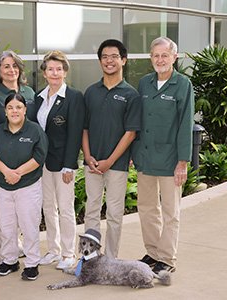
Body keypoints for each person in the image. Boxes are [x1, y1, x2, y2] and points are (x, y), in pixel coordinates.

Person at [132, 36, 194, 274]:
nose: (160, 60)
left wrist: (182, 162)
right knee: (146, 207)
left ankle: (167, 258)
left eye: (164, 55)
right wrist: (134, 152)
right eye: (156, 55)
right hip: (146, 158)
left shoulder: (182, 85)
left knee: (170, 211)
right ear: (151, 58)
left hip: (170, 160)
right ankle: (153, 252)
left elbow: (185, 123)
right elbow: (138, 120)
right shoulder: (145, 83)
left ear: (174, 57)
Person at [82, 39, 141, 259]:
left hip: (117, 165)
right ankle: (90, 257)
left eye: (114, 56)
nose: (109, 61)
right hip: (92, 164)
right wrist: (88, 157)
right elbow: (84, 128)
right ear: (100, 62)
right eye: (105, 57)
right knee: (91, 211)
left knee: (115, 214)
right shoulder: (91, 92)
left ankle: (110, 259)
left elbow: (130, 133)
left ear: (123, 60)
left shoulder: (131, 95)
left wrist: (109, 161)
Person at [27, 50, 85, 270]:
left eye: (59, 69)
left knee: (66, 208)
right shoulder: (38, 97)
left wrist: (70, 164)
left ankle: (69, 253)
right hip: (41, 164)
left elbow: (75, 133)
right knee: (48, 208)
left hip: (63, 164)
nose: (55, 73)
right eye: (50, 69)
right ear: (44, 73)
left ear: (65, 72)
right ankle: (53, 250)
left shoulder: (73, 97)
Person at [0, 93, 48, 281]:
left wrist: (18, 173)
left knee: (29, 226)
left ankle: (31, 263)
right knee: (6, 226)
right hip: (5, 187)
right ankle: (10, 261)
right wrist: (7, 172)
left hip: (28, 187)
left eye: (19, 107)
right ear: (5, 111)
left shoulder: (35, 131)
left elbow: (39, 157)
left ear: (25, 110)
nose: (15, 111)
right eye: (11, 108)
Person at [0, 50, 35, 264]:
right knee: (1, 208)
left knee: (22, 207)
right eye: (6, 66)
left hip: (27, 160)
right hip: (1, 162)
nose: (11, 70)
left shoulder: (30, 92)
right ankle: (2, 249)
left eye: (14, 65)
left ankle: (16, 244)